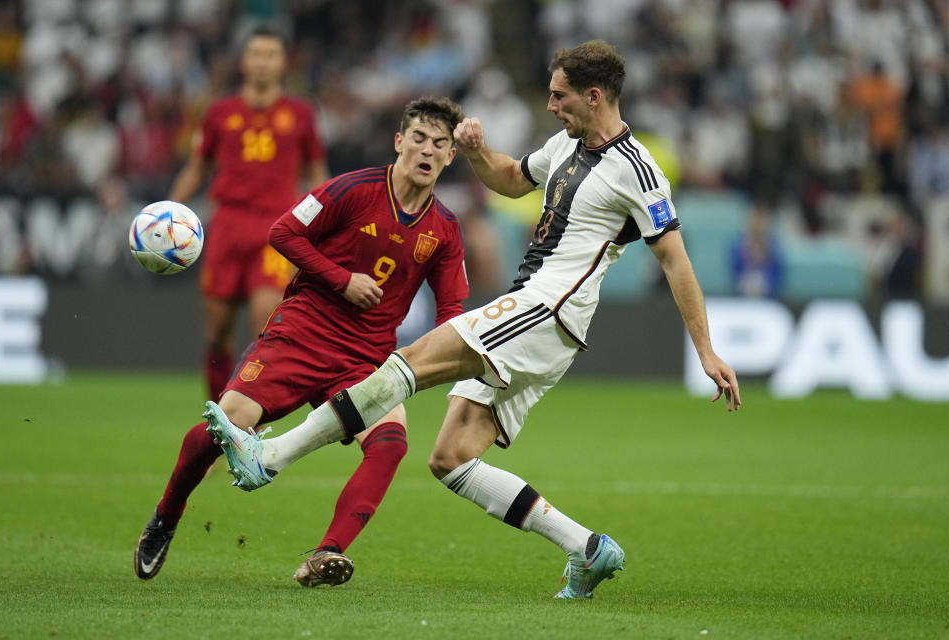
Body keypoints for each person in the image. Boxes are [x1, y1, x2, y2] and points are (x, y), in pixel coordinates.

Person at [207, 40, 741, 599]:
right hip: (539, 314)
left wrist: (705, 349)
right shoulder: (565, 142)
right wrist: (478, 150)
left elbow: (674, 258)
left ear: (594, 95)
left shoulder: (638, 170)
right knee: (452, 457)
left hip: (548, 307)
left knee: (407, 362)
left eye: (559, 95)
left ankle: (270, 455)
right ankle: (587, 548)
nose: (551, 104)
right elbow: (512, 178)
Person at [134, 96, 470, 587]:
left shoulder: (444, 229)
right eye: (418, 138)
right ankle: (166, 516)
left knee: (391, 443)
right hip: (301, 335)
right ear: (399, 142)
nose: (427, 150)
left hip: (365, 360)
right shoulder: (352, 188)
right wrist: (341, 280)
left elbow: (451, 312)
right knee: (222, 427)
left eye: (440, 144)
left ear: (449, 158)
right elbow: (284, 232)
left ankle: (326, 554)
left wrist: (442, 364)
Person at [168, 25, 329, 402]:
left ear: (283, 63)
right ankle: (214, 425)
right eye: (256, 53)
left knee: (263, 329)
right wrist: (169, 211)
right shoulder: (219, 112)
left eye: (271, 54)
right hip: (226, 226)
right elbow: (197, 166)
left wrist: (321, 223)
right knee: (216, 334)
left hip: (276, 231)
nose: (263, 62)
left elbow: (317, 175)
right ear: (243, 61)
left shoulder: (301, 114)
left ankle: (244, 427)